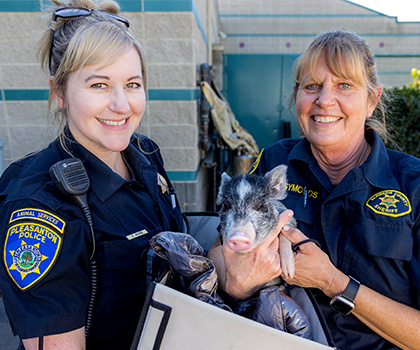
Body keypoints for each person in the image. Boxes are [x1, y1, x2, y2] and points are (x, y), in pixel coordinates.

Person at [208, 30, 420, 350]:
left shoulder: (413, 184)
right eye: (312, 86)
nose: (324, 100)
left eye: (344, 85)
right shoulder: (274, 161)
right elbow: (219, 251)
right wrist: (235, 283)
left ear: (372, 100)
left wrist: (331, 281)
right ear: (297, 96)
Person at [0, 0, 184, 349]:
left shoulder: (144, 154)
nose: (121, 105)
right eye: (99, 85)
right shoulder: (41, 206)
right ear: (59, 93)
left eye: (132, 84)